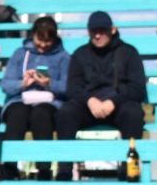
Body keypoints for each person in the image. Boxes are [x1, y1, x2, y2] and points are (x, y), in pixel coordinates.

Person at [59, 10, 147, 140]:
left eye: (102, 31)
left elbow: (137, 89)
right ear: (88, 32)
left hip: (119, 105)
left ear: (112, 30)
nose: (98, 36)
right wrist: (90, 100)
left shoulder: (129, 52)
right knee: (66, 112)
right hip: (88, 107)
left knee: (133, 112)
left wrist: (113, 102)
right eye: (94, 31)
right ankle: (66, 160)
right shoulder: (80, 54)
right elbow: (73, 88)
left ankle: (130, 159)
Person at [0, 15, 69, 152]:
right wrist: (23, 83)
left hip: (50, 104)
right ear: (33, 35)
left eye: (47, 41)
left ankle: (43, 167)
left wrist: (49, 84)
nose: (43, 45)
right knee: (18, 113)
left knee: (41, 114)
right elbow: (6, 85)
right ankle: (9, 167)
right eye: (40, 40)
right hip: (19, 100)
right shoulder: (20, 54)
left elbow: (68, 88)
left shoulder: (63, 57)